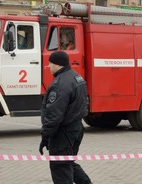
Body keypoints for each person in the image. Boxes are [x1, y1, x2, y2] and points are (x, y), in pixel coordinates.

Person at [40, 51, 92, 184]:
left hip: (63, 133)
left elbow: (54, 115)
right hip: (76, 128)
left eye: (50, 64)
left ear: (57, 64)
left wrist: (46, 136)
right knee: (67, 162)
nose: (49, 67)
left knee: (60, 168)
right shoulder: (77, 77)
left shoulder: (60, 84)